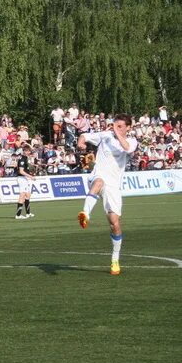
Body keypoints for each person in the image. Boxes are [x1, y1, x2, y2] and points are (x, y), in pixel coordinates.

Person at [76, 114, 138, 275]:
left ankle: (115, 259)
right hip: (99, 175)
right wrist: (81, 142)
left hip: (114, 185)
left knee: (114, 223)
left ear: (128, 128)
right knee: (98, 182)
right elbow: (84, 135)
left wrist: (116, 133)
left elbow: (127, 148)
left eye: (120, 126)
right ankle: (85, 214)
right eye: (115, 125)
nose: (116, 128)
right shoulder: (105, 135)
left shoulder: (132, 141)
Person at [15, 146, 35, 219]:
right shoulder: (22, 158)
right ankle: (18, 215)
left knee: (27, 195)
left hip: (25, 178)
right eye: (26, 151)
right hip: (21, 178)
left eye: (28, 151)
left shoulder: (26, 158)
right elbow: (21, 171)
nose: (28, 152)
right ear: (24, 151)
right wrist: (30, 176)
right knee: (22, 195)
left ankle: (28, 213)